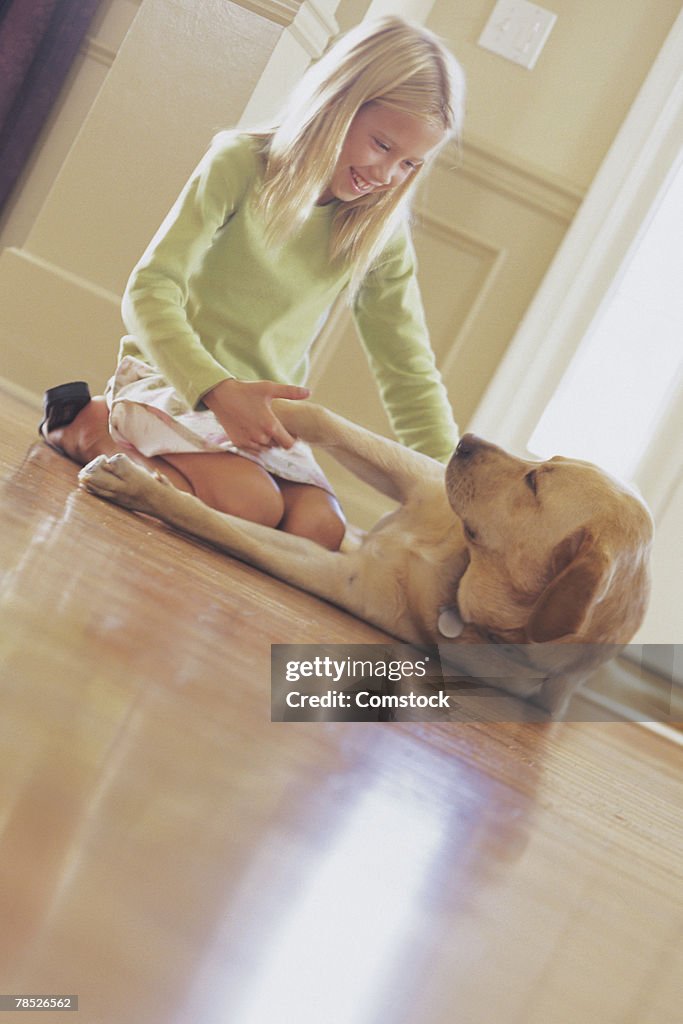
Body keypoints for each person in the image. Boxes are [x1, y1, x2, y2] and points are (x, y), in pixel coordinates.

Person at [40, 16, 465, 551]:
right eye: (381, 145)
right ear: (338, 103)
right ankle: (90, 426)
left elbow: (407, 368)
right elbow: (150, 290)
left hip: (266, 421)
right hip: (181, 383)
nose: (385, 176)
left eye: (409, 164)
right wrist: (218, 391)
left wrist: (455, 487)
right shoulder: (240, 162)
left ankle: (143, 458)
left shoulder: (378, 234)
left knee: (321, 531)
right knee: (251, 505)